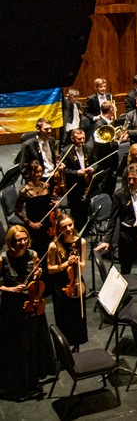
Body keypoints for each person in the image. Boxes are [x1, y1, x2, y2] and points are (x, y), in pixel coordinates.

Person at [0, 226, 55, 401]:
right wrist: (10, 288)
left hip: (32, 303)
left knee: (33, 341)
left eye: (24, 239)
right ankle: (18, 383)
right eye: (18, 240)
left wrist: (38, 274)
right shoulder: (3, 258)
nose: (22, 242)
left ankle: (33, 377)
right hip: (12, 306)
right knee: (17, 345)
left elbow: (36, 280)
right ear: (11, 241)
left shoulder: (33, 254)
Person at [96, 163, 137, 292]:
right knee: (126, 268)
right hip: (126, 236)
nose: (131, 182)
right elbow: (113, 220)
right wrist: (107, 240)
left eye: (134, 179)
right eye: (128, 179)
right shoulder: (119, 194)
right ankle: (124, 298)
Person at [47, 214, 88, 353]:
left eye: (70, 225)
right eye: (64, 226)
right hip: (60, 285)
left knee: (78, 316)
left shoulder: (81, 242)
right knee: (62, 317)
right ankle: (62, 350)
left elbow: (82, 266)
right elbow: (50, 269)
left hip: (76, 281)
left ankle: (77, 346)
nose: (69, 228)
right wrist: (65, 264)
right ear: (59, 229)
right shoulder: (54, 245)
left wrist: (77, 263)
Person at [15, 161, 54, 269]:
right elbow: (17, 210)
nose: (39, 174)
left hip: (48, 223)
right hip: (35, 225)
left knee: (49, 248)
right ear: (30, 173)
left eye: (41, 171)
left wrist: (53, 204)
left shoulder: (46, 186)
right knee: (39, 252)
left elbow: (48, 203)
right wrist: (30, 223)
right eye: (36, 172)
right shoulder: (24, 191)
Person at [63, 128, 96, 232]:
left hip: (87, 182)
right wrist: (76, 173)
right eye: (79, 139)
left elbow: (96, 162)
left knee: (85, 207)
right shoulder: (66, 151)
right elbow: (64, 170)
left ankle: (85, 229)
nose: (82, 141)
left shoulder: (88, 148)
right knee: (76, 209)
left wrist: (92, 168)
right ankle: (75, 230)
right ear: (72, 139)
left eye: (83, 139)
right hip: (74, 185)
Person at [19, 117, 58, 181]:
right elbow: (23, 167)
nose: (50, 131)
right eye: (46, 129)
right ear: (38, 129)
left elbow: (54, 158)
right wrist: (33, 183)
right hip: (40, 179)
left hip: (54, 175)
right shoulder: (27, 145)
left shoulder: (52, 140)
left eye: (50, 128)